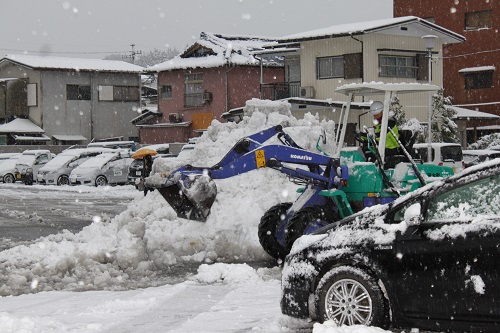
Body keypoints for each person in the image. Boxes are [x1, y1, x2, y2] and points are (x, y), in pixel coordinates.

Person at [356, 101, 400, 165]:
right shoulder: (379, 125)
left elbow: (379, 135)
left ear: (383, 112)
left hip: (391, 150)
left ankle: (371, 170)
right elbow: (374, 135)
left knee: (372, 157)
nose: (375, 117)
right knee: (365, 150)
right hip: (382, 148)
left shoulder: (389, 122)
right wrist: (361, 135)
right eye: (374, 115)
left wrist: (372, 136)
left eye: (377, 114)